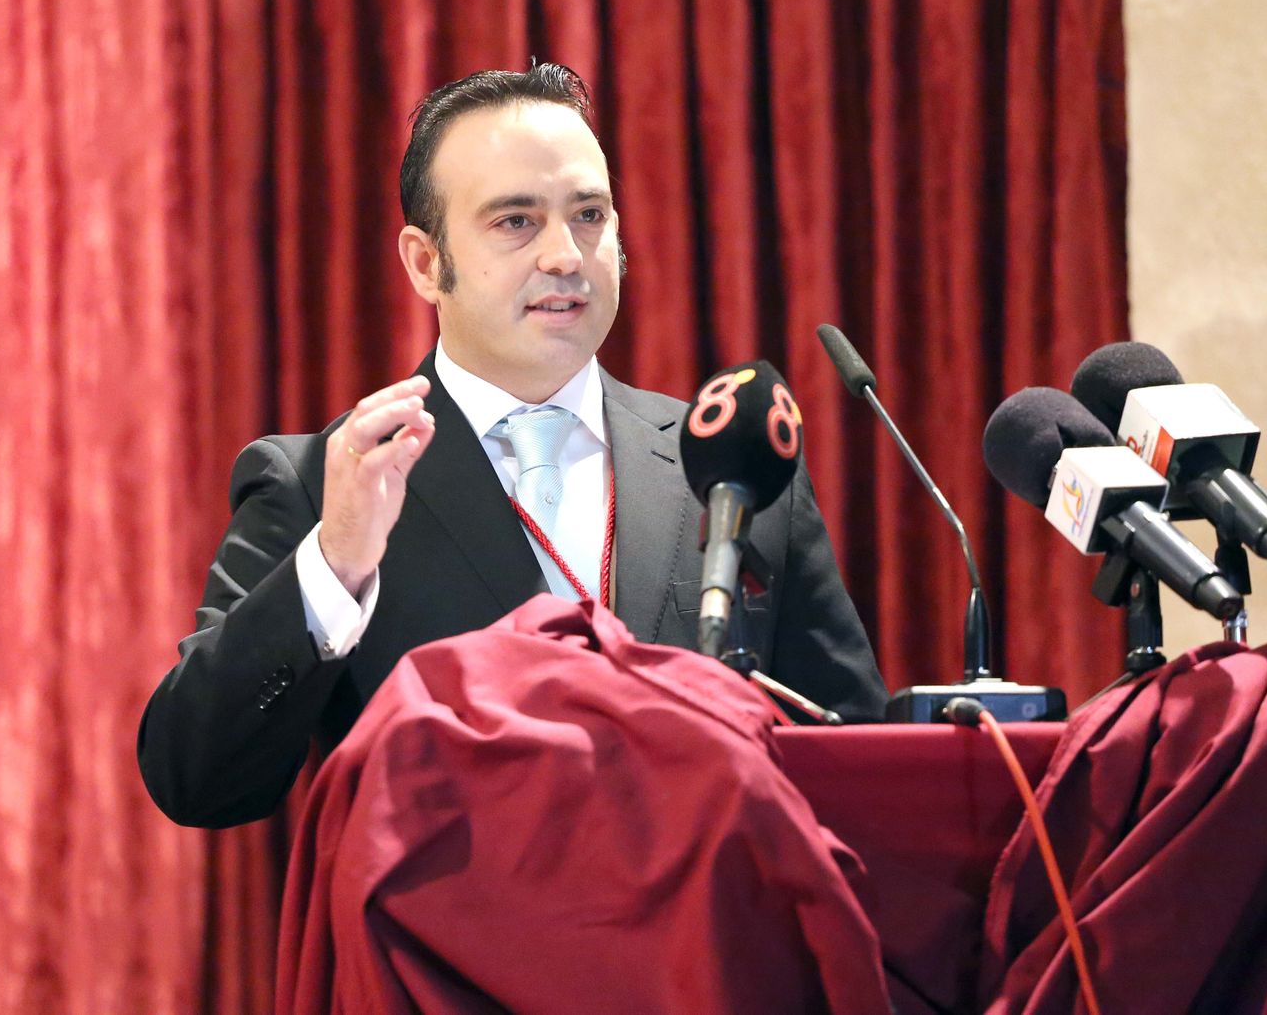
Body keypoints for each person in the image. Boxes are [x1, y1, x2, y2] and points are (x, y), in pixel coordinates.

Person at [138, 64, 885, 829]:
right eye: (516, 221)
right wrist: (333, 566)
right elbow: (194, 778)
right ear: (427, 265)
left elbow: (859, 756)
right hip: (453, 946)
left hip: (709, 938)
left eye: (589, 214)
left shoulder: (731, 464)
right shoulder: (326, 484)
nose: (566, 255)